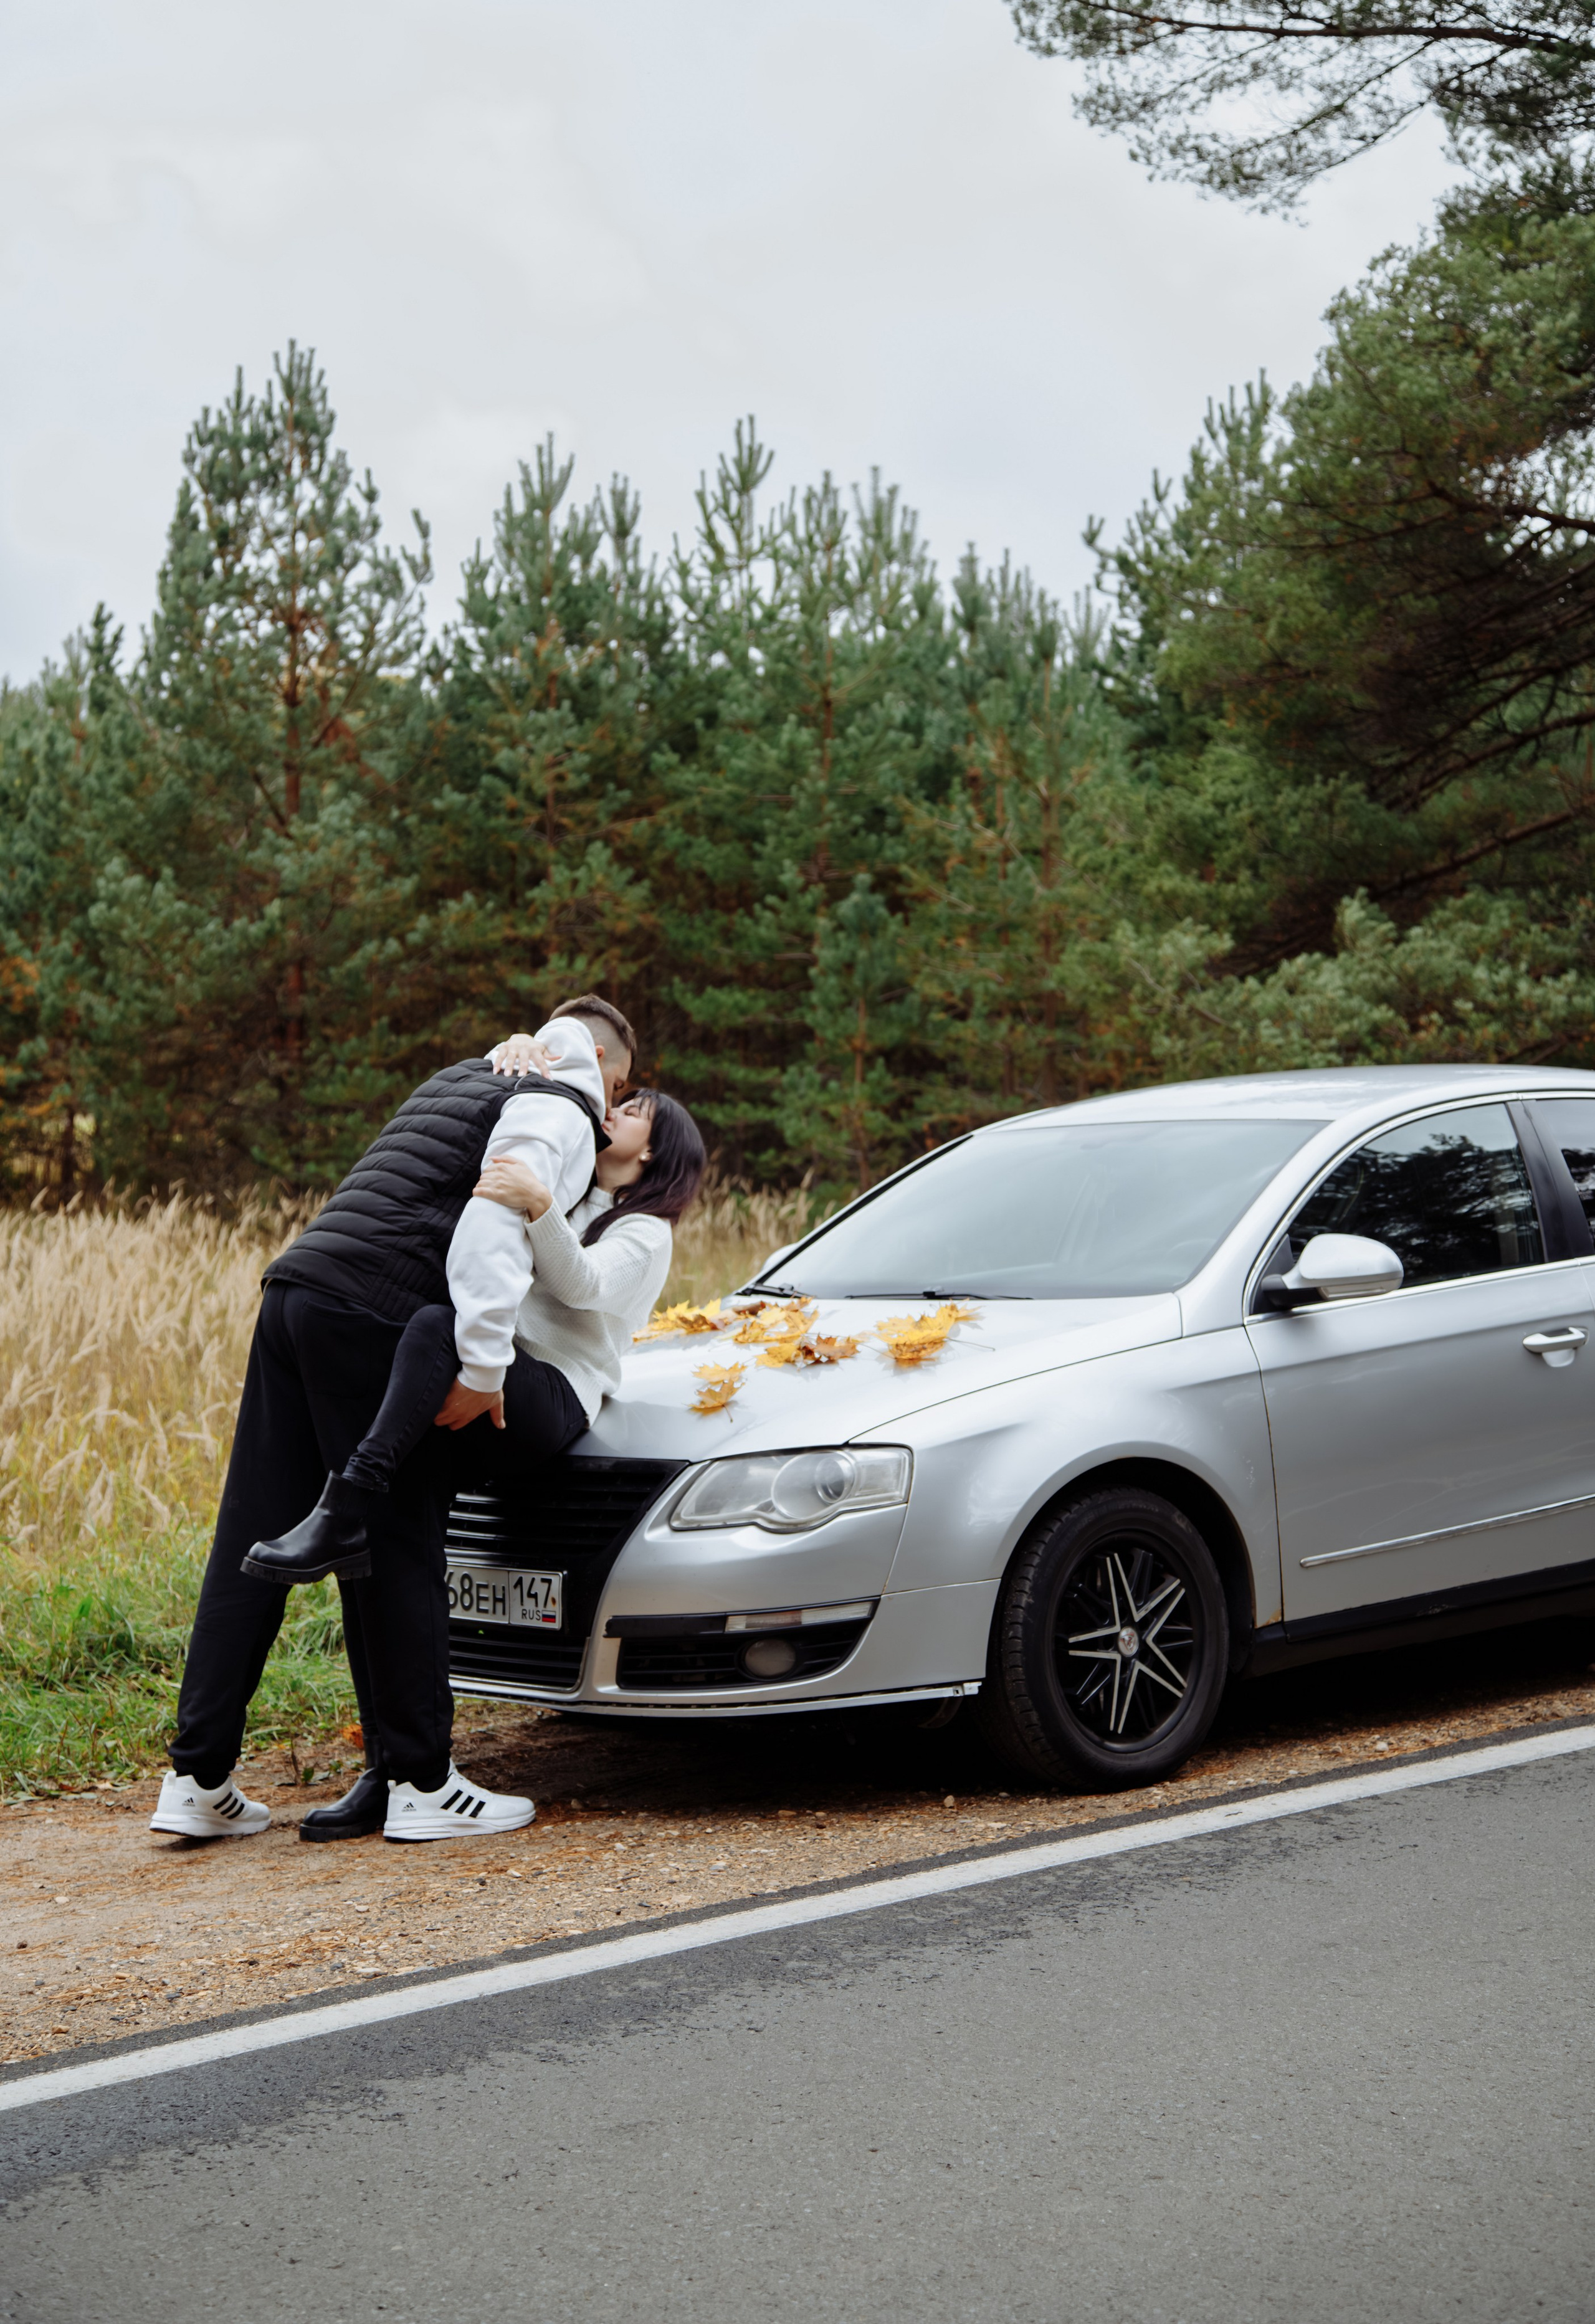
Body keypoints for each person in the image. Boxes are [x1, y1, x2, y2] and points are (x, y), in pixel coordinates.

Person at [150, 996, 634, 1849]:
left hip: (298, 1288)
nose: (610, 1115)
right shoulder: (555, 1104)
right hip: (374, 1309)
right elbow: (492, 1220)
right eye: (619, 1085)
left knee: (253, 1531)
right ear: (596, 1057)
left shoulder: (464, 1075)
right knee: (398, 1537)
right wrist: (484, 1365)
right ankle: (421, 1780)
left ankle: (195, 1775)